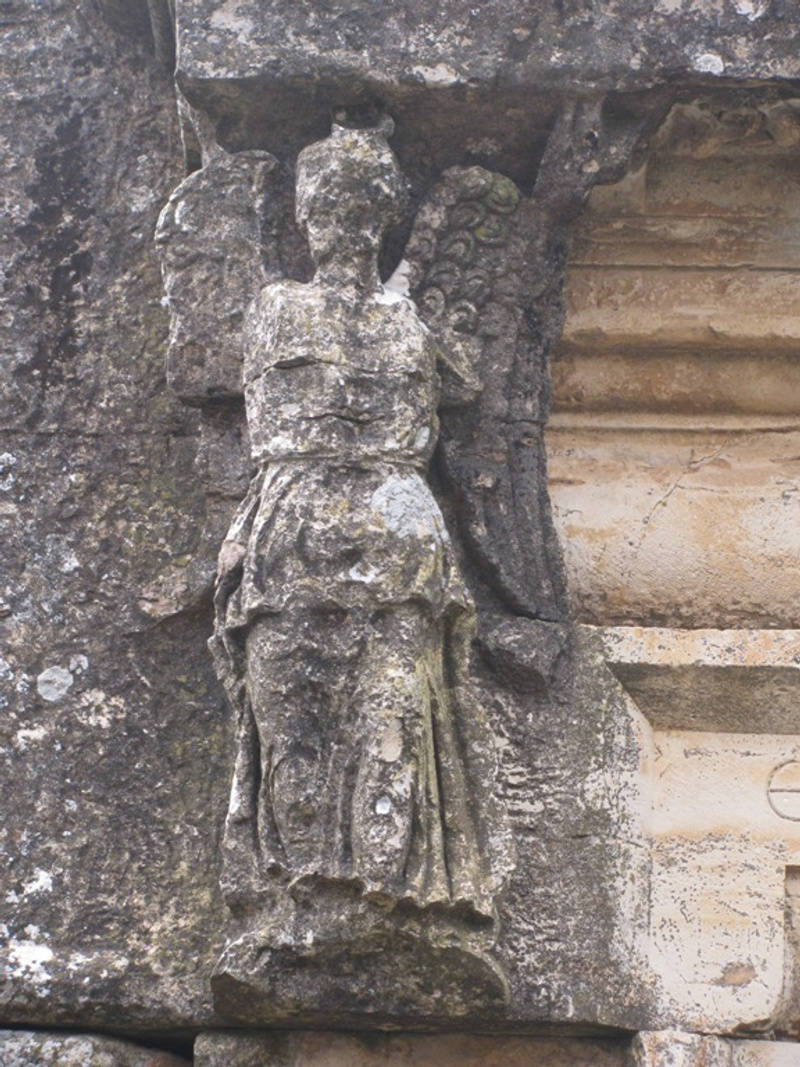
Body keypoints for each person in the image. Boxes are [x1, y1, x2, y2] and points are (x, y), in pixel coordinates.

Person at [210, 123, 510, 925]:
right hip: (289, 533)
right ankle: (298, 903)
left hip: (395, 538)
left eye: (363, 207)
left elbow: (470, 389)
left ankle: (390, 898)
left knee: (392, 727)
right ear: (303, 217)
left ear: (384, 220)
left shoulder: (414, 322)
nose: (342, 223)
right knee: (291, 732)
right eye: (326, 206)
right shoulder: (275, 307)